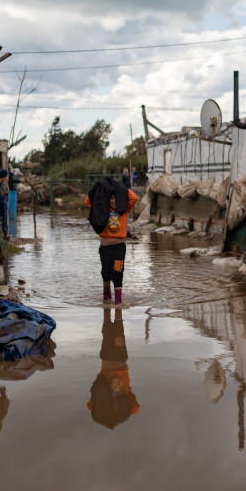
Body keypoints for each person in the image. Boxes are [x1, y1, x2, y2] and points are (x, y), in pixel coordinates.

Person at [84, 177, 138, 306]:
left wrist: (115, 185)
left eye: (116, 198)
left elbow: (133, 197)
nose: (113, 201)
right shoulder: (102, 210)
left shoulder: (124, 210)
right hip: (105, 248)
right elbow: (87, 200)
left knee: (117, 273)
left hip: (119, 247)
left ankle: (118, 303)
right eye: (111, 198)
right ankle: (106, 298)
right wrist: (99, 184)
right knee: (106, 273)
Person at [87, 307, 139, 429]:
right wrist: (102, 410)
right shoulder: (99, 408)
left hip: (120, 359)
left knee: (118, 327)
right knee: (106, 330)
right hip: (105, 361)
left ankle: (118, 306)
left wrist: (121, 416)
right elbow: (89, 405)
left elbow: (136, 409)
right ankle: (107, 306)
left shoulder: (125, 406)